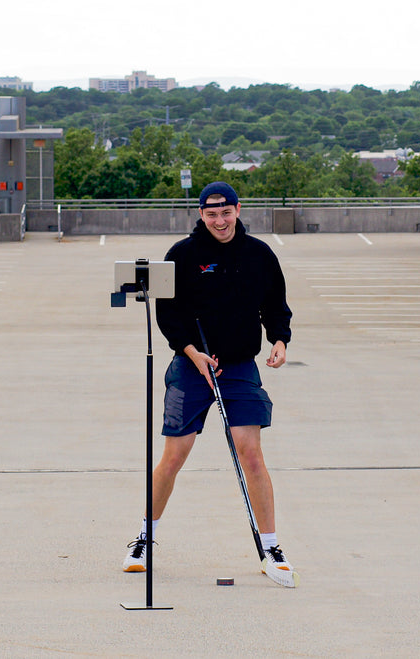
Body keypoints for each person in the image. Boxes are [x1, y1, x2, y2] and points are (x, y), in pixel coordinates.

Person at [121, 181, 297, 588]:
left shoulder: (259, 255)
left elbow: (276, 305)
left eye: (226, 212)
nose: (219, 221)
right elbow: (168, 313)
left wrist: (280, 340)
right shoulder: (183, 255)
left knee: (250, 454)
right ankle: (144, 539)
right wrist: (190, 351)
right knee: (174, 456)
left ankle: (271, 546)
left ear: (237, 209)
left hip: (238, 366)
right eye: (211, 214)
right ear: (201, 214)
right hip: (191, 365)